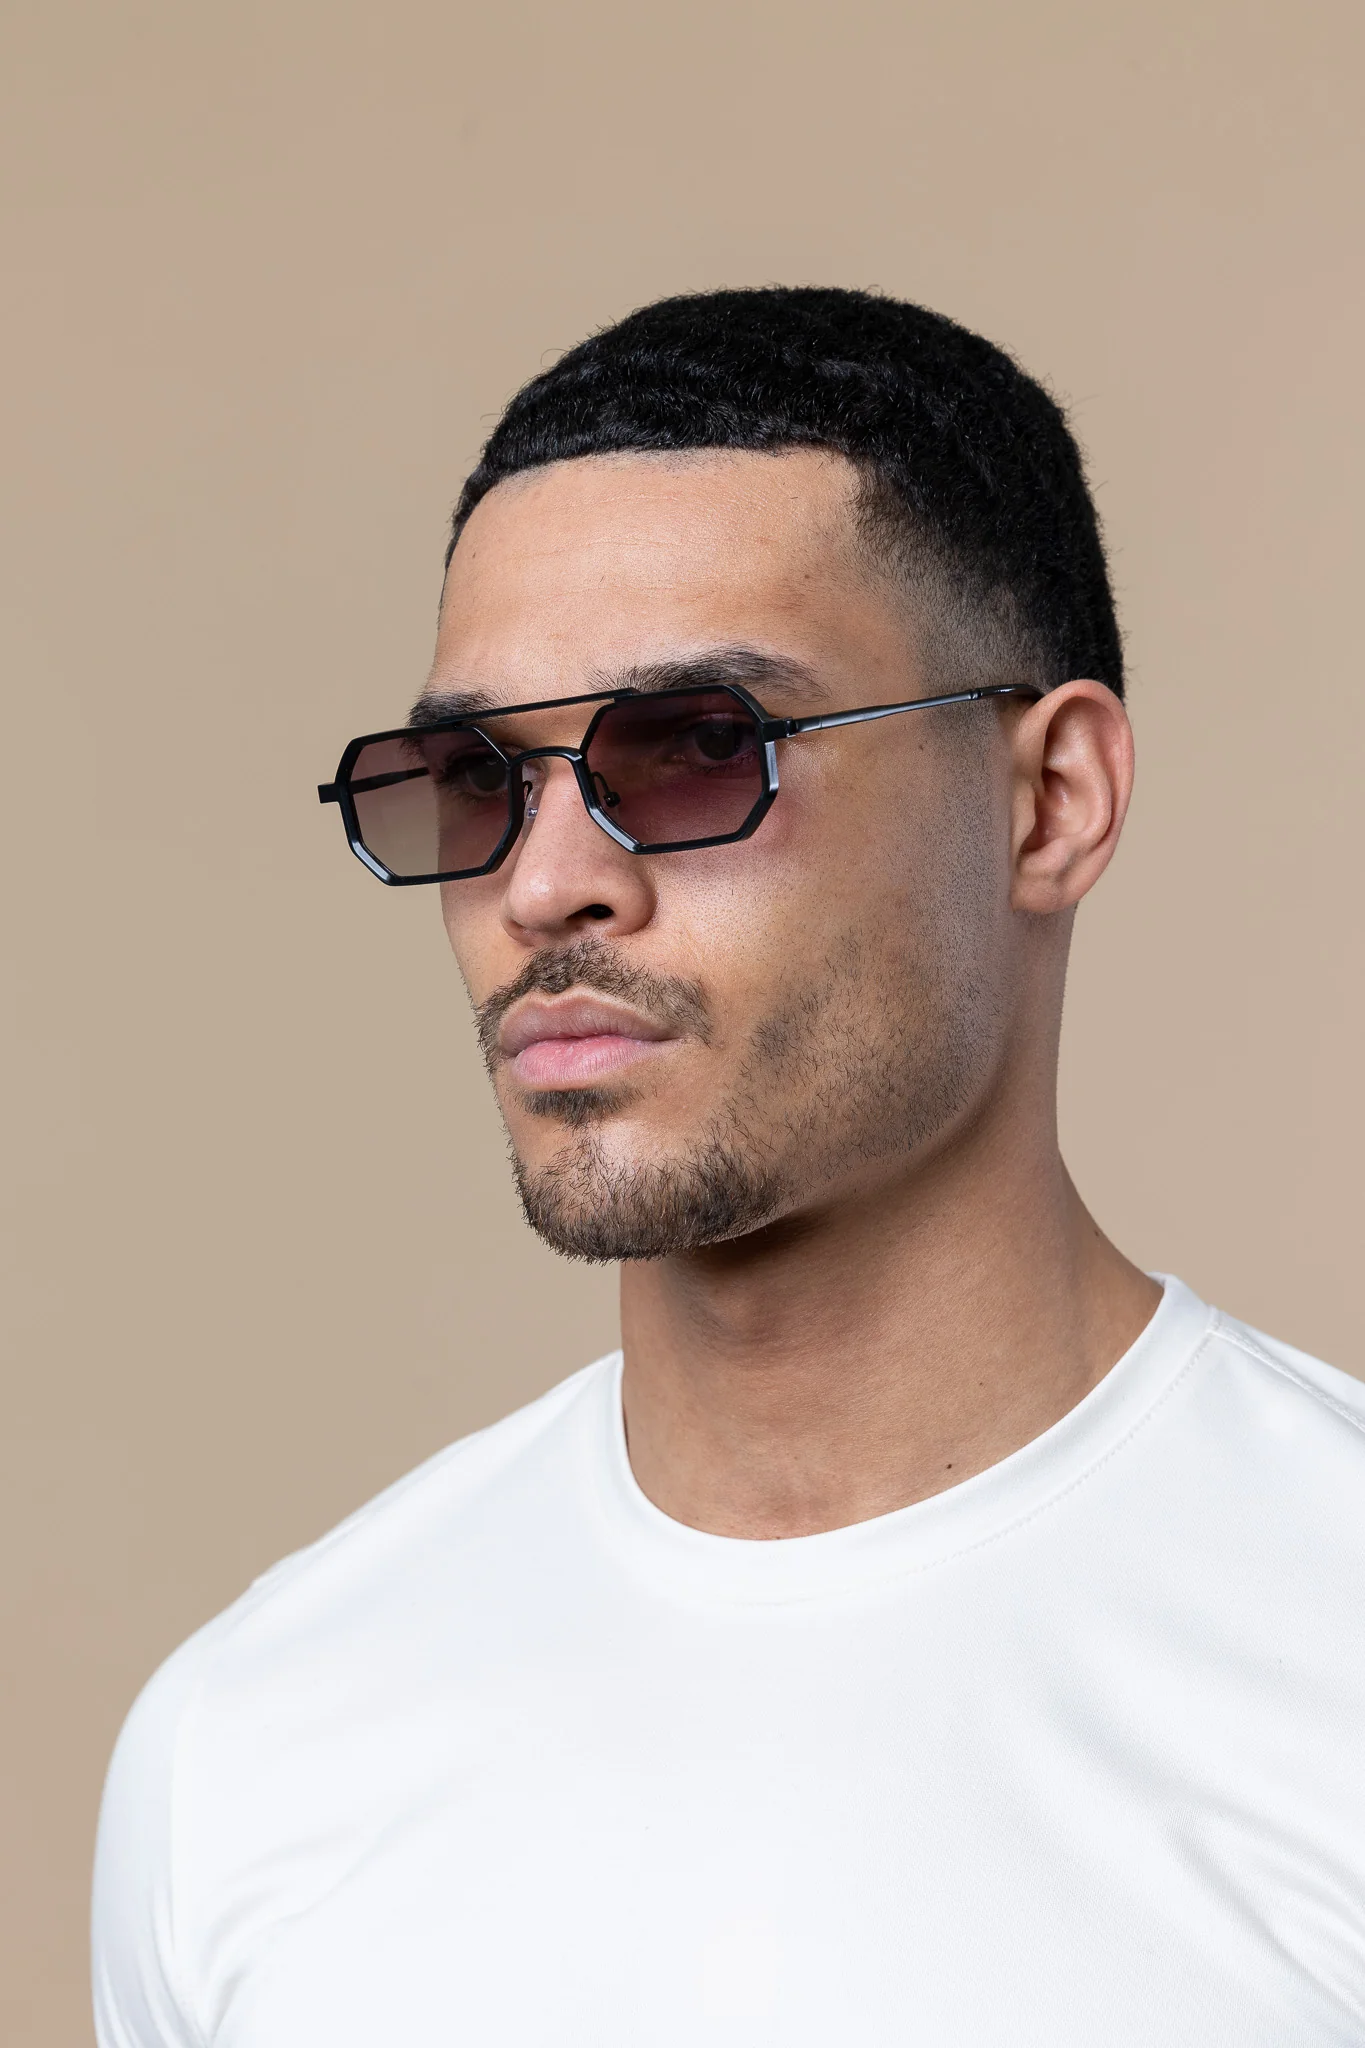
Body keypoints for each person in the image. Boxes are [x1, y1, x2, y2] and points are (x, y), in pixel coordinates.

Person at [93, 288, 1365, 2046]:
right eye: (476, 778)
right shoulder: (249, 1755)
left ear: (1052, 800)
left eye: (699, 748)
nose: (545, 885)